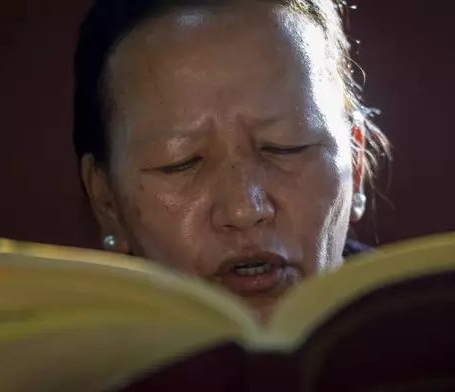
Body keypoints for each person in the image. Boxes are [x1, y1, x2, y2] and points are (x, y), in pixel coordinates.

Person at [74, 0, 389, 322]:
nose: (244, 209)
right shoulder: (53, 370)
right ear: (106, 202)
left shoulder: (438, 351)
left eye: (286, 146)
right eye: (180, 162)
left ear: (356, 162)